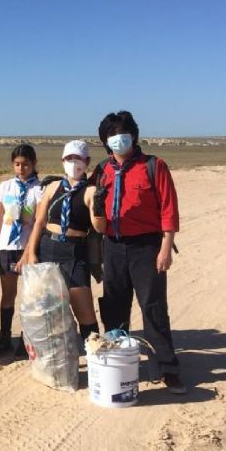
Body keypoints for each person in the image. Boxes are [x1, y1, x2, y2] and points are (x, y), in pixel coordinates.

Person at [95, 111, 185, 393]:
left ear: (133, 135)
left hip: (147, 246)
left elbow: (169, 208)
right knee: (114, 306)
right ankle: (120, 363)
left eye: (123, 133)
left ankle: (167, 368)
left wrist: (166, 248)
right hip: (112, 246)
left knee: (153, 307)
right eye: (111, 135)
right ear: (105, 141)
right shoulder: (102, 170)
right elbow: (91, 207)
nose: (118, 139)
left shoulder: (154, 166)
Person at [19, 140, 104, 350]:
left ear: (87, 162)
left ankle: (94, 355)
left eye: (78, 158)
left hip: (74, 253)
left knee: (84, 310)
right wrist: (31, 253)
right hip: (48, 248)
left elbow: (99, 228)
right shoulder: (52, 187)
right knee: (46, 307)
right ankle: (51, 357)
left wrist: (99, 207)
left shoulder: (91, 191)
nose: (73, 163)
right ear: (62, 161)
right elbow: (39, 222)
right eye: (69, 158)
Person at [0, 144, 42, 358]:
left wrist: (29, 252)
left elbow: (38, 223)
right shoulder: (5, 187)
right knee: (8, 294)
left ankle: (27, 339)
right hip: (7, 247)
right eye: (17, 164)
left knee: (30, 296)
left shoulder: (39, 190)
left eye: (25, 164)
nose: (21, 168)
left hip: (28, 247)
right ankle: (4, 337)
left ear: (34, 163)